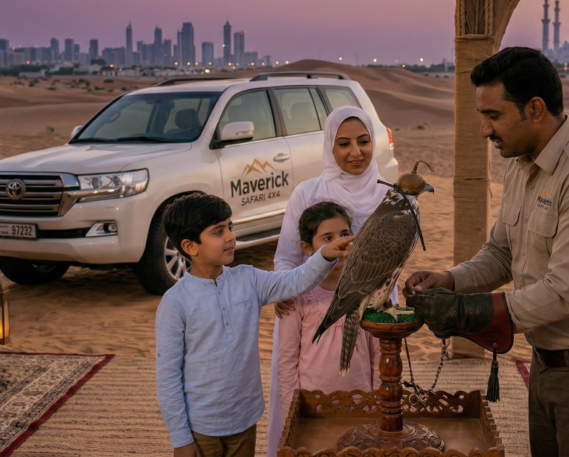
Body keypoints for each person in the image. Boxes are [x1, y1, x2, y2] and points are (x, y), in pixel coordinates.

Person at [403, 47, 569, 456]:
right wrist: (449, 280)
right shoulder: (521, 166)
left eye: (493, 116)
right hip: (547, 366)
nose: (484, 130)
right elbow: (501, 254)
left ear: (535, 109)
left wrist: (471, 312)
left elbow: (562, 294)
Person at [155, 193, 354, 457]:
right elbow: (168, 376)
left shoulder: (248, 279)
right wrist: (180, 439)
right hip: (200, 427)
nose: (229, 237)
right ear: (191, 247)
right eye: (218, 231)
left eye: (230, 227)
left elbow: (295, 281)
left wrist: (324, 255)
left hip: (245, 419)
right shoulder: (175, 303)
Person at [266, 105, 396, 457]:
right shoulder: (308, 193)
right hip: (307, 310)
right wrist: (284, 287)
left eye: (364, 141)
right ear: (329, 147)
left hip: (372, 306)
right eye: (344, 143)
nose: (356, 152)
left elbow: (393, 261)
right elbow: (286, 257)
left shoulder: (387, 194)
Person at [274, 202, 381, 438]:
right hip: (314, 410)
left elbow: (378, 354)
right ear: (307, 248)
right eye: (327, 238)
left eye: (344, 234)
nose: (340, 243)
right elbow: (287, 363)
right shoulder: (297, 295)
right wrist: (291, 416)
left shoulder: (366, 289)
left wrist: (378, 403)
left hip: (361, 406)